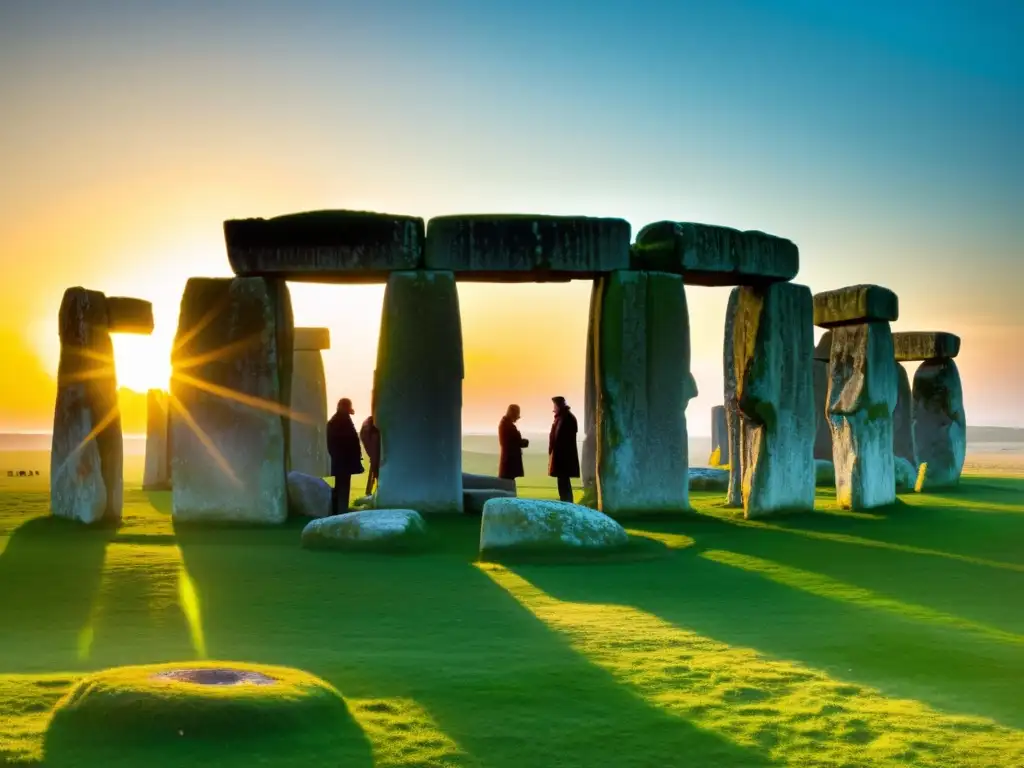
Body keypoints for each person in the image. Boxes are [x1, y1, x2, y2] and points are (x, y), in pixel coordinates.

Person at [326, 398, 364, 515]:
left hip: (341, 461)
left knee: (342, 485)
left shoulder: (336, 421)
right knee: (343, 486)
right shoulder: (340, 421)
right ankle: (341, 510)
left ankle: (339, 510)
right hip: (344, 461)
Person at [548, 396, 580, 502]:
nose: (553, 408)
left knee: (563, 480)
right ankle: (565, 500)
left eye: (555, 405)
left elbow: (563, 439)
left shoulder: (566, 418)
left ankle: (566, 501)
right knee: (562, 480)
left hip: (564, 457)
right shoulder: (562, 418)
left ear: (559, 406)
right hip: (561, 456)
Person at [498, 404, 529, 483]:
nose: (517, 418)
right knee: (507, 484)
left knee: (507, 482)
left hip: (508, 461)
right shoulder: (507, 426)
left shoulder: (505, 424)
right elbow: (513, 442)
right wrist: (524, 442)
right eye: (517, 415)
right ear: (513, 414)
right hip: (509, 462)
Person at [359, 413, 381, 496]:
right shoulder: (371, 428)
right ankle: (370, 490)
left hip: (371, 438)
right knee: (374, 466)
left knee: (374, 466)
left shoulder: (368, 425)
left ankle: (369, 490)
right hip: (372, 438)